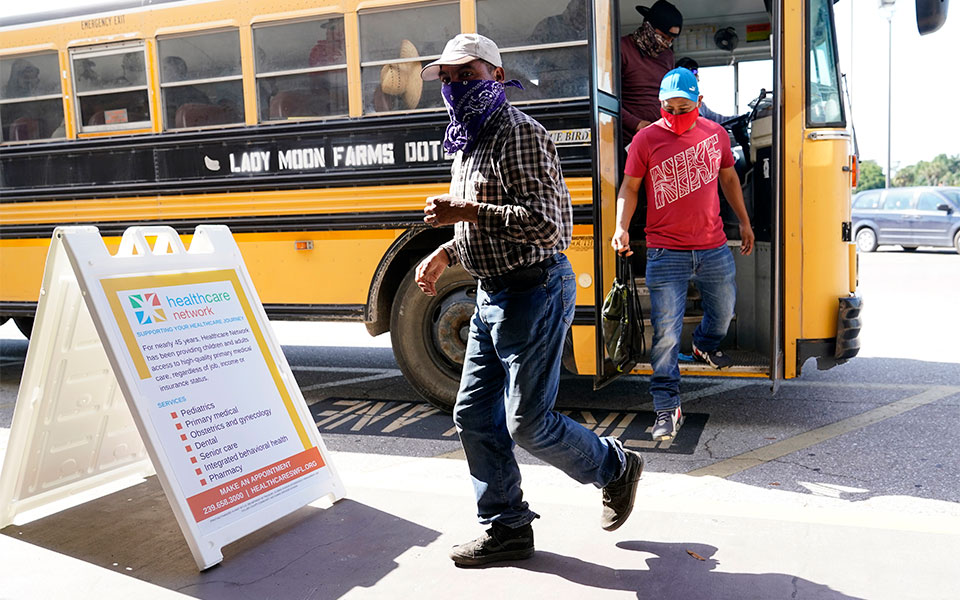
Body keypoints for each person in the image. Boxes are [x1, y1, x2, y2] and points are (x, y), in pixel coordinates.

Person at [415, 33, 645, 567]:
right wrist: (448, 252)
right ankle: (507, 527)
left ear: (496, 75)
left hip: (535, 289)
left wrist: (466, 212)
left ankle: (616, 468)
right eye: (446, 78)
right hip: (493, 292)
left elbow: (551, 229)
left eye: (465, 74)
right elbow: (485, 217)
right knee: (473, 413)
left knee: (527, 421)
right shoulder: (468, 138)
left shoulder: (521, 134)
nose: (453, 86)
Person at [612, 68, 755, 441]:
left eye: (684, 108)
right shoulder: (646, 139)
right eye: (669, 108)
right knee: (665, 335)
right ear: (660, 105)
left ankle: (705, 344)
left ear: (700, 104)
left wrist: (744, 221)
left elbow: (728, 178)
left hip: (713, 248)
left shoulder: (716, 134)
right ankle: (666, 405)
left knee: (723, 312)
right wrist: (621, 226)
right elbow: (630, 187)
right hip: (665, 252)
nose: (676, 116)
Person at [621, 1, 683, 143]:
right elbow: (609, 99)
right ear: (649, 26)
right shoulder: (622, 49)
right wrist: (636, 124)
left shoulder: (667, 56)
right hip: (628, 140)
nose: (666, 43)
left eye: (671, 39)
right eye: (664, 36)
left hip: (660, 138)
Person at [674, 57, 739, 124]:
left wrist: (739, 118)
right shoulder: (673, 102)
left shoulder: (700, 105)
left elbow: (718, 119)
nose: (697, 79)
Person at [161, 56, 211, 126]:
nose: (161, 72)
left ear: (177, 70)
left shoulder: (193, 96)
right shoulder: (163, 93)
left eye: (165, 68)